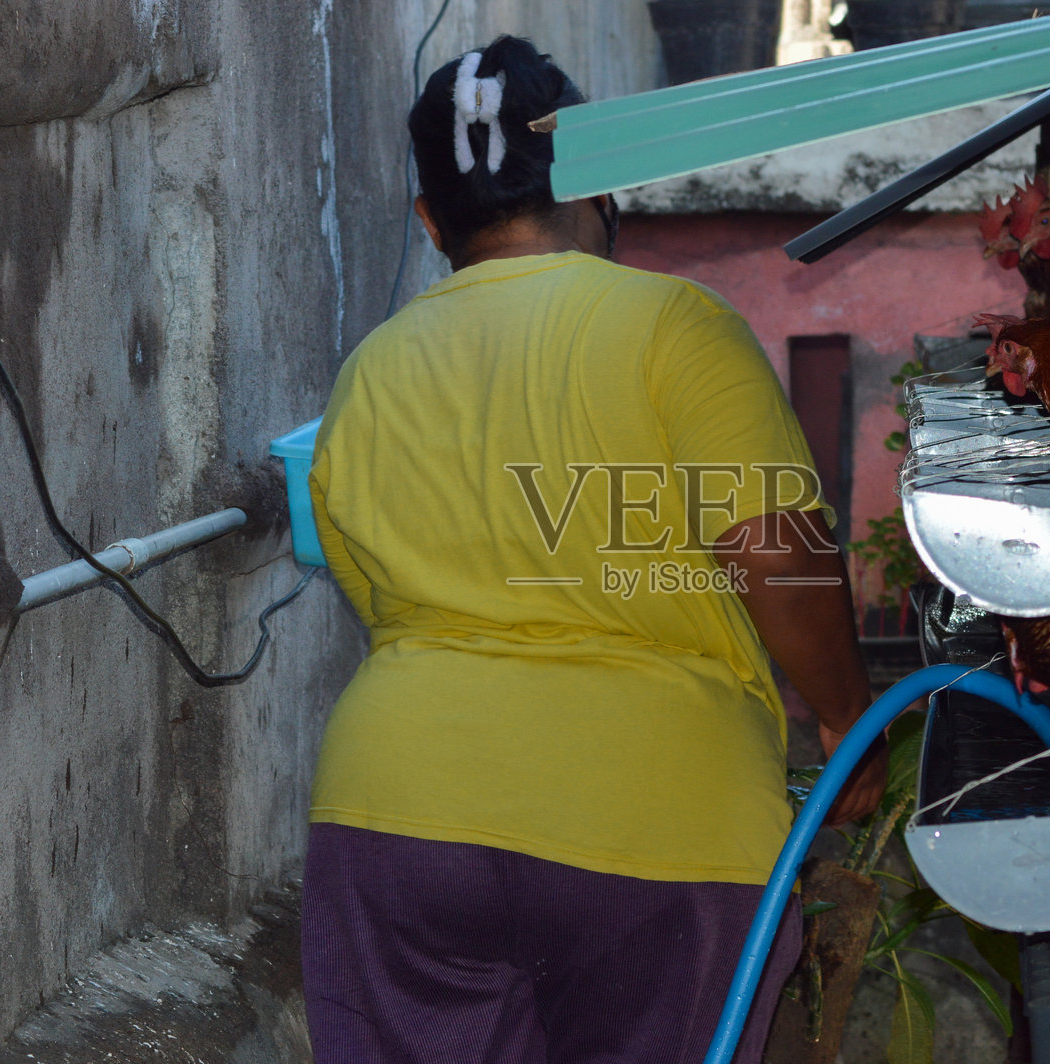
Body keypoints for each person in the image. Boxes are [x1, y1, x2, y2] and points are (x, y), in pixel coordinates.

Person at [300, 36, 885, 1064]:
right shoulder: (675, 325)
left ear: (431, 220)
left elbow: (381, 597)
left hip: (396, 814)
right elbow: (775, 551)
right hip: (660, 824)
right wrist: (847, 723)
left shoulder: (370, 369)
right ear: (597, 186)